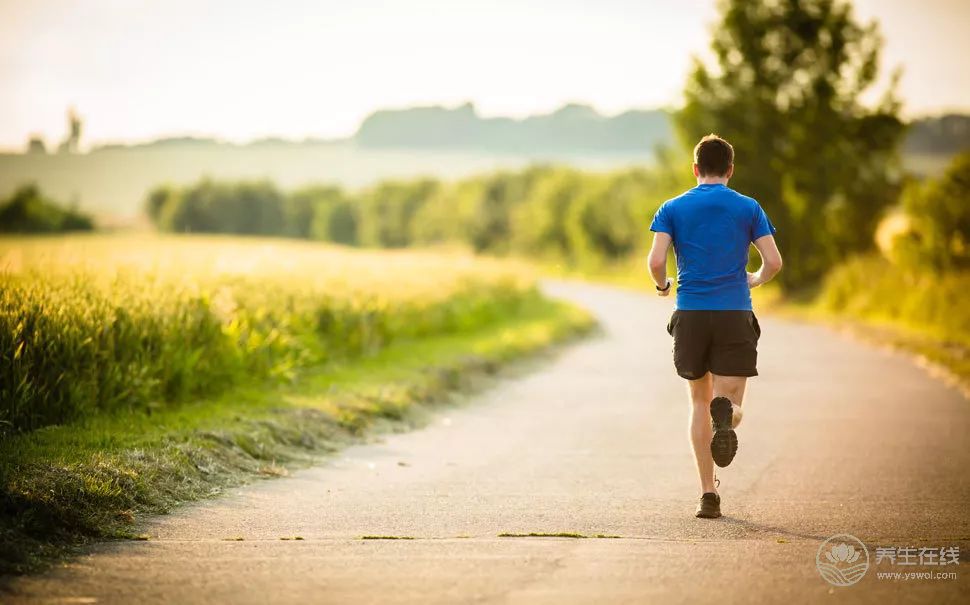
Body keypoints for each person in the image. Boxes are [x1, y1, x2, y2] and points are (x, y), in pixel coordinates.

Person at [647, 134, 783, 519]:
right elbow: (773, 262)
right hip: (733, 313)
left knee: (698, 402)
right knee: (730, 404)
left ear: (694, 169)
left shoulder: (672, 207)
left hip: (690, 314)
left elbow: (657, 261)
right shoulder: (748, 207)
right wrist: (754, 278)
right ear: (730, 169)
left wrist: (663, 287)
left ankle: (708, 495)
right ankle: (730, 417)